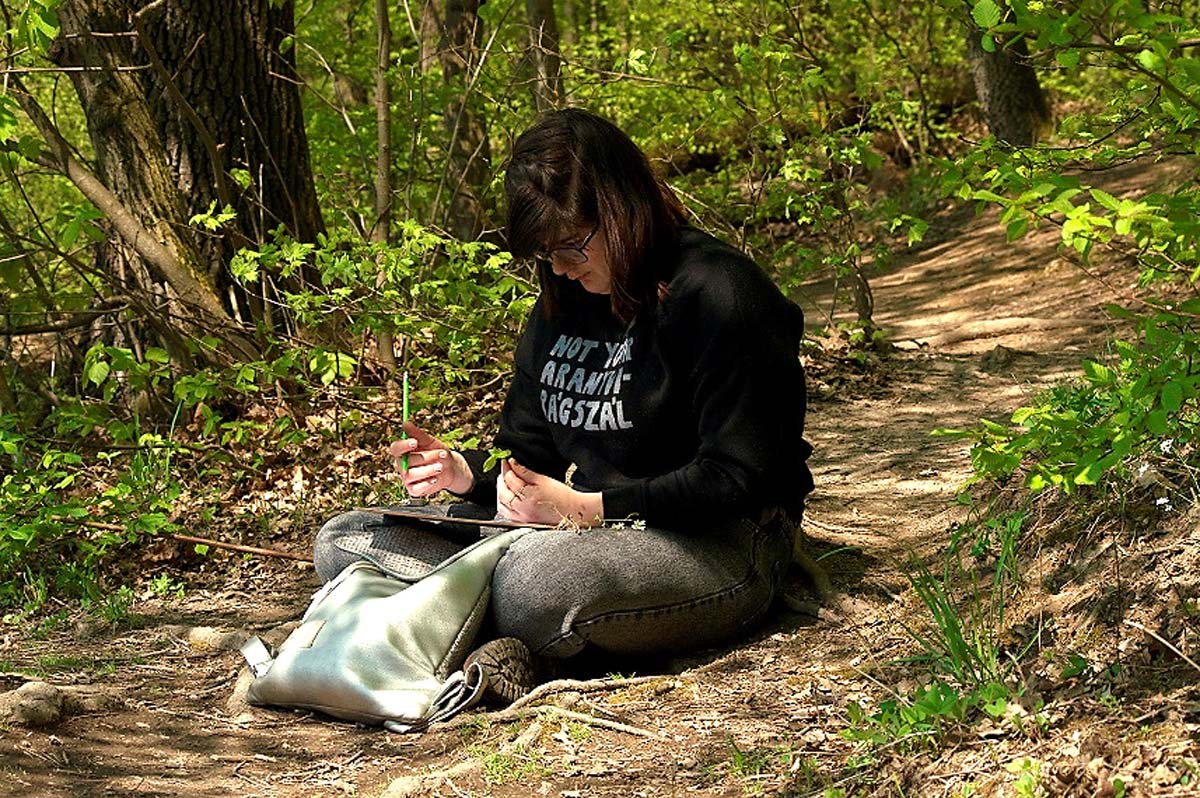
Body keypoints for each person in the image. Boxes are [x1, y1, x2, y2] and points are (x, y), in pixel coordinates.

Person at [314, 108, 814, 702]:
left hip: (721, 538)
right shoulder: (563, 299)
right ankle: (491, 637)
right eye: (545, 254)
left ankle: (456, 631)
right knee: (349, 539)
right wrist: (467, 474)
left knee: (533, 586)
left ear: (623, 210)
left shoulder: (719, 294)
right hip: (571, 535)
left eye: (572, 245)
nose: (560, 268)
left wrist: (589, 508)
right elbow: (528, 452)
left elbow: (740, 476)